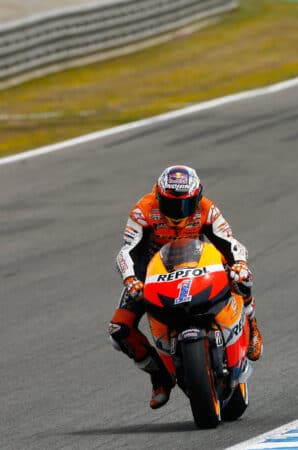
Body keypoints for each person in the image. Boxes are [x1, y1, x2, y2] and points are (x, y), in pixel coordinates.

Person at [108, 165, 263, 409]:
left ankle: (252, 327)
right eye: (171, 205)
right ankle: (160, 378)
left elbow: (231, 243)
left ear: (197, 198)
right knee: (119, 329)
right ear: (159, 197)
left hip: (196, 263)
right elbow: (125, 252)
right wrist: (130, 279)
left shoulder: (207, 209)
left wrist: (240, 264)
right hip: (152, 274)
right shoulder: (143, 211)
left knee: (241, 277)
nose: (179, 212)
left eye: (186, 205)